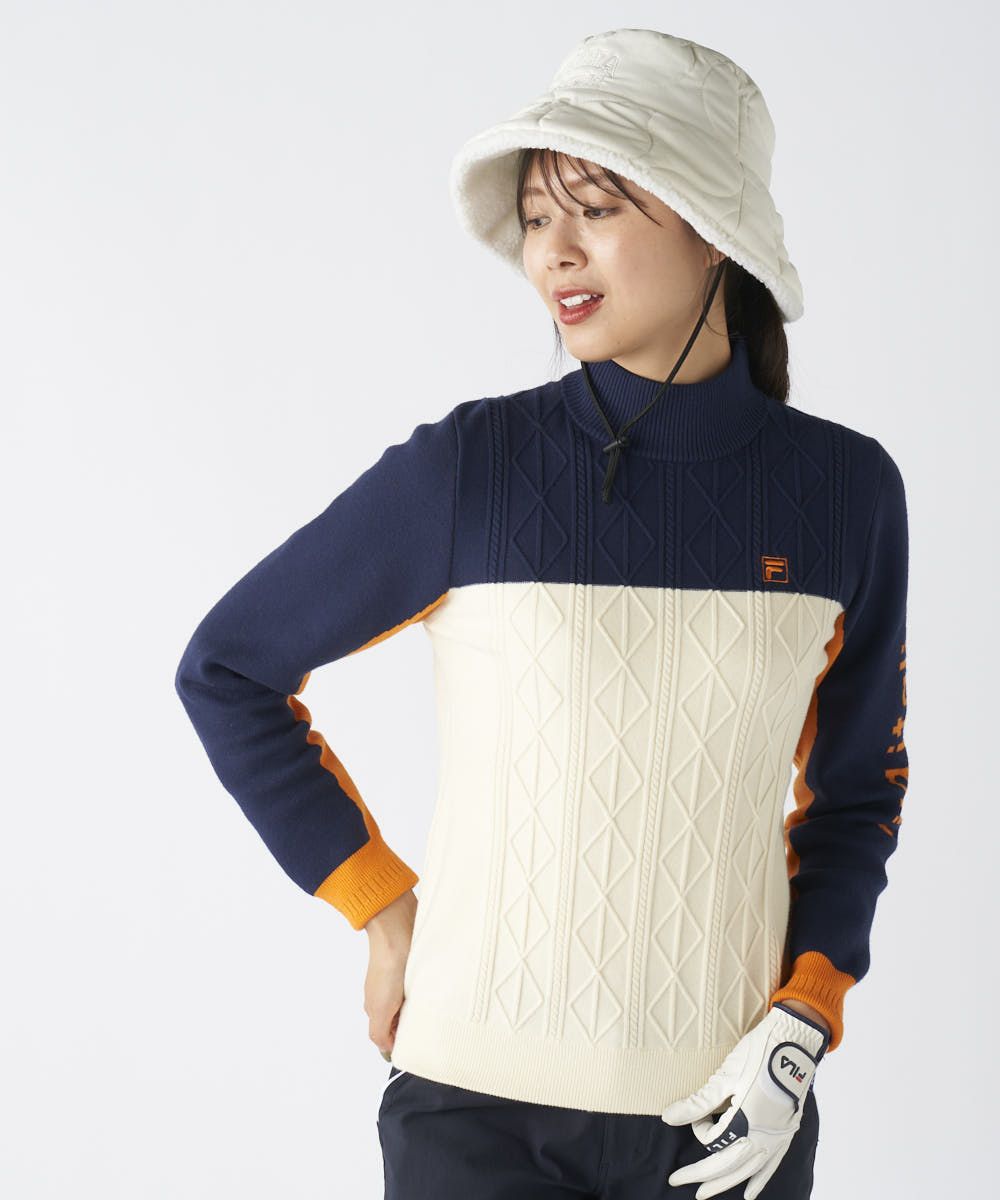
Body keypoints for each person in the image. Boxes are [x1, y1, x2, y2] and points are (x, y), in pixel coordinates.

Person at [174, 27, 910, 1200]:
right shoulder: (474, 467)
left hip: (731, 1122)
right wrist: (381, 908)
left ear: (714, 228)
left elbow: (857, 793)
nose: (552, 252)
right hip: (472, 1121)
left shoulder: (843, 492)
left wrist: (804, 1016)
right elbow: (227, 668)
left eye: (597, 209)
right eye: (533, 218)